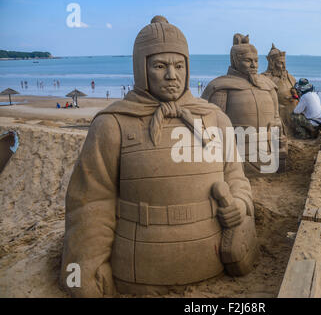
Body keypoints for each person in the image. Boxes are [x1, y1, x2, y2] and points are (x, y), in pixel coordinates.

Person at [60, 16, 257, 298]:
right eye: (160, 66)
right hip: (140, 270)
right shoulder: (113, 125)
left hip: (211, 260)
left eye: (178, 66)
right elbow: (91, 203)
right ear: (142, 69)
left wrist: (239, 203)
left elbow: (236, 178)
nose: (171, 76)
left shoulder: (215, 119)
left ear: (188, 68)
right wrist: (85, 270)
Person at [201, 33, 288, 172]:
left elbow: (276, 118)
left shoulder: (268, 86)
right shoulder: (222, 87)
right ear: (235, 60)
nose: (254, 65)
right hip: (238, 154)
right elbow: (214, 125)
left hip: (268, 151)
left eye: (256, 61)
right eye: (248, 61)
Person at [262, 43, 298, 133]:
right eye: (280, 63)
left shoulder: (291, 78)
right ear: (272, 63)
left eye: (284, 63)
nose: (284, 66)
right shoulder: (265, 79)